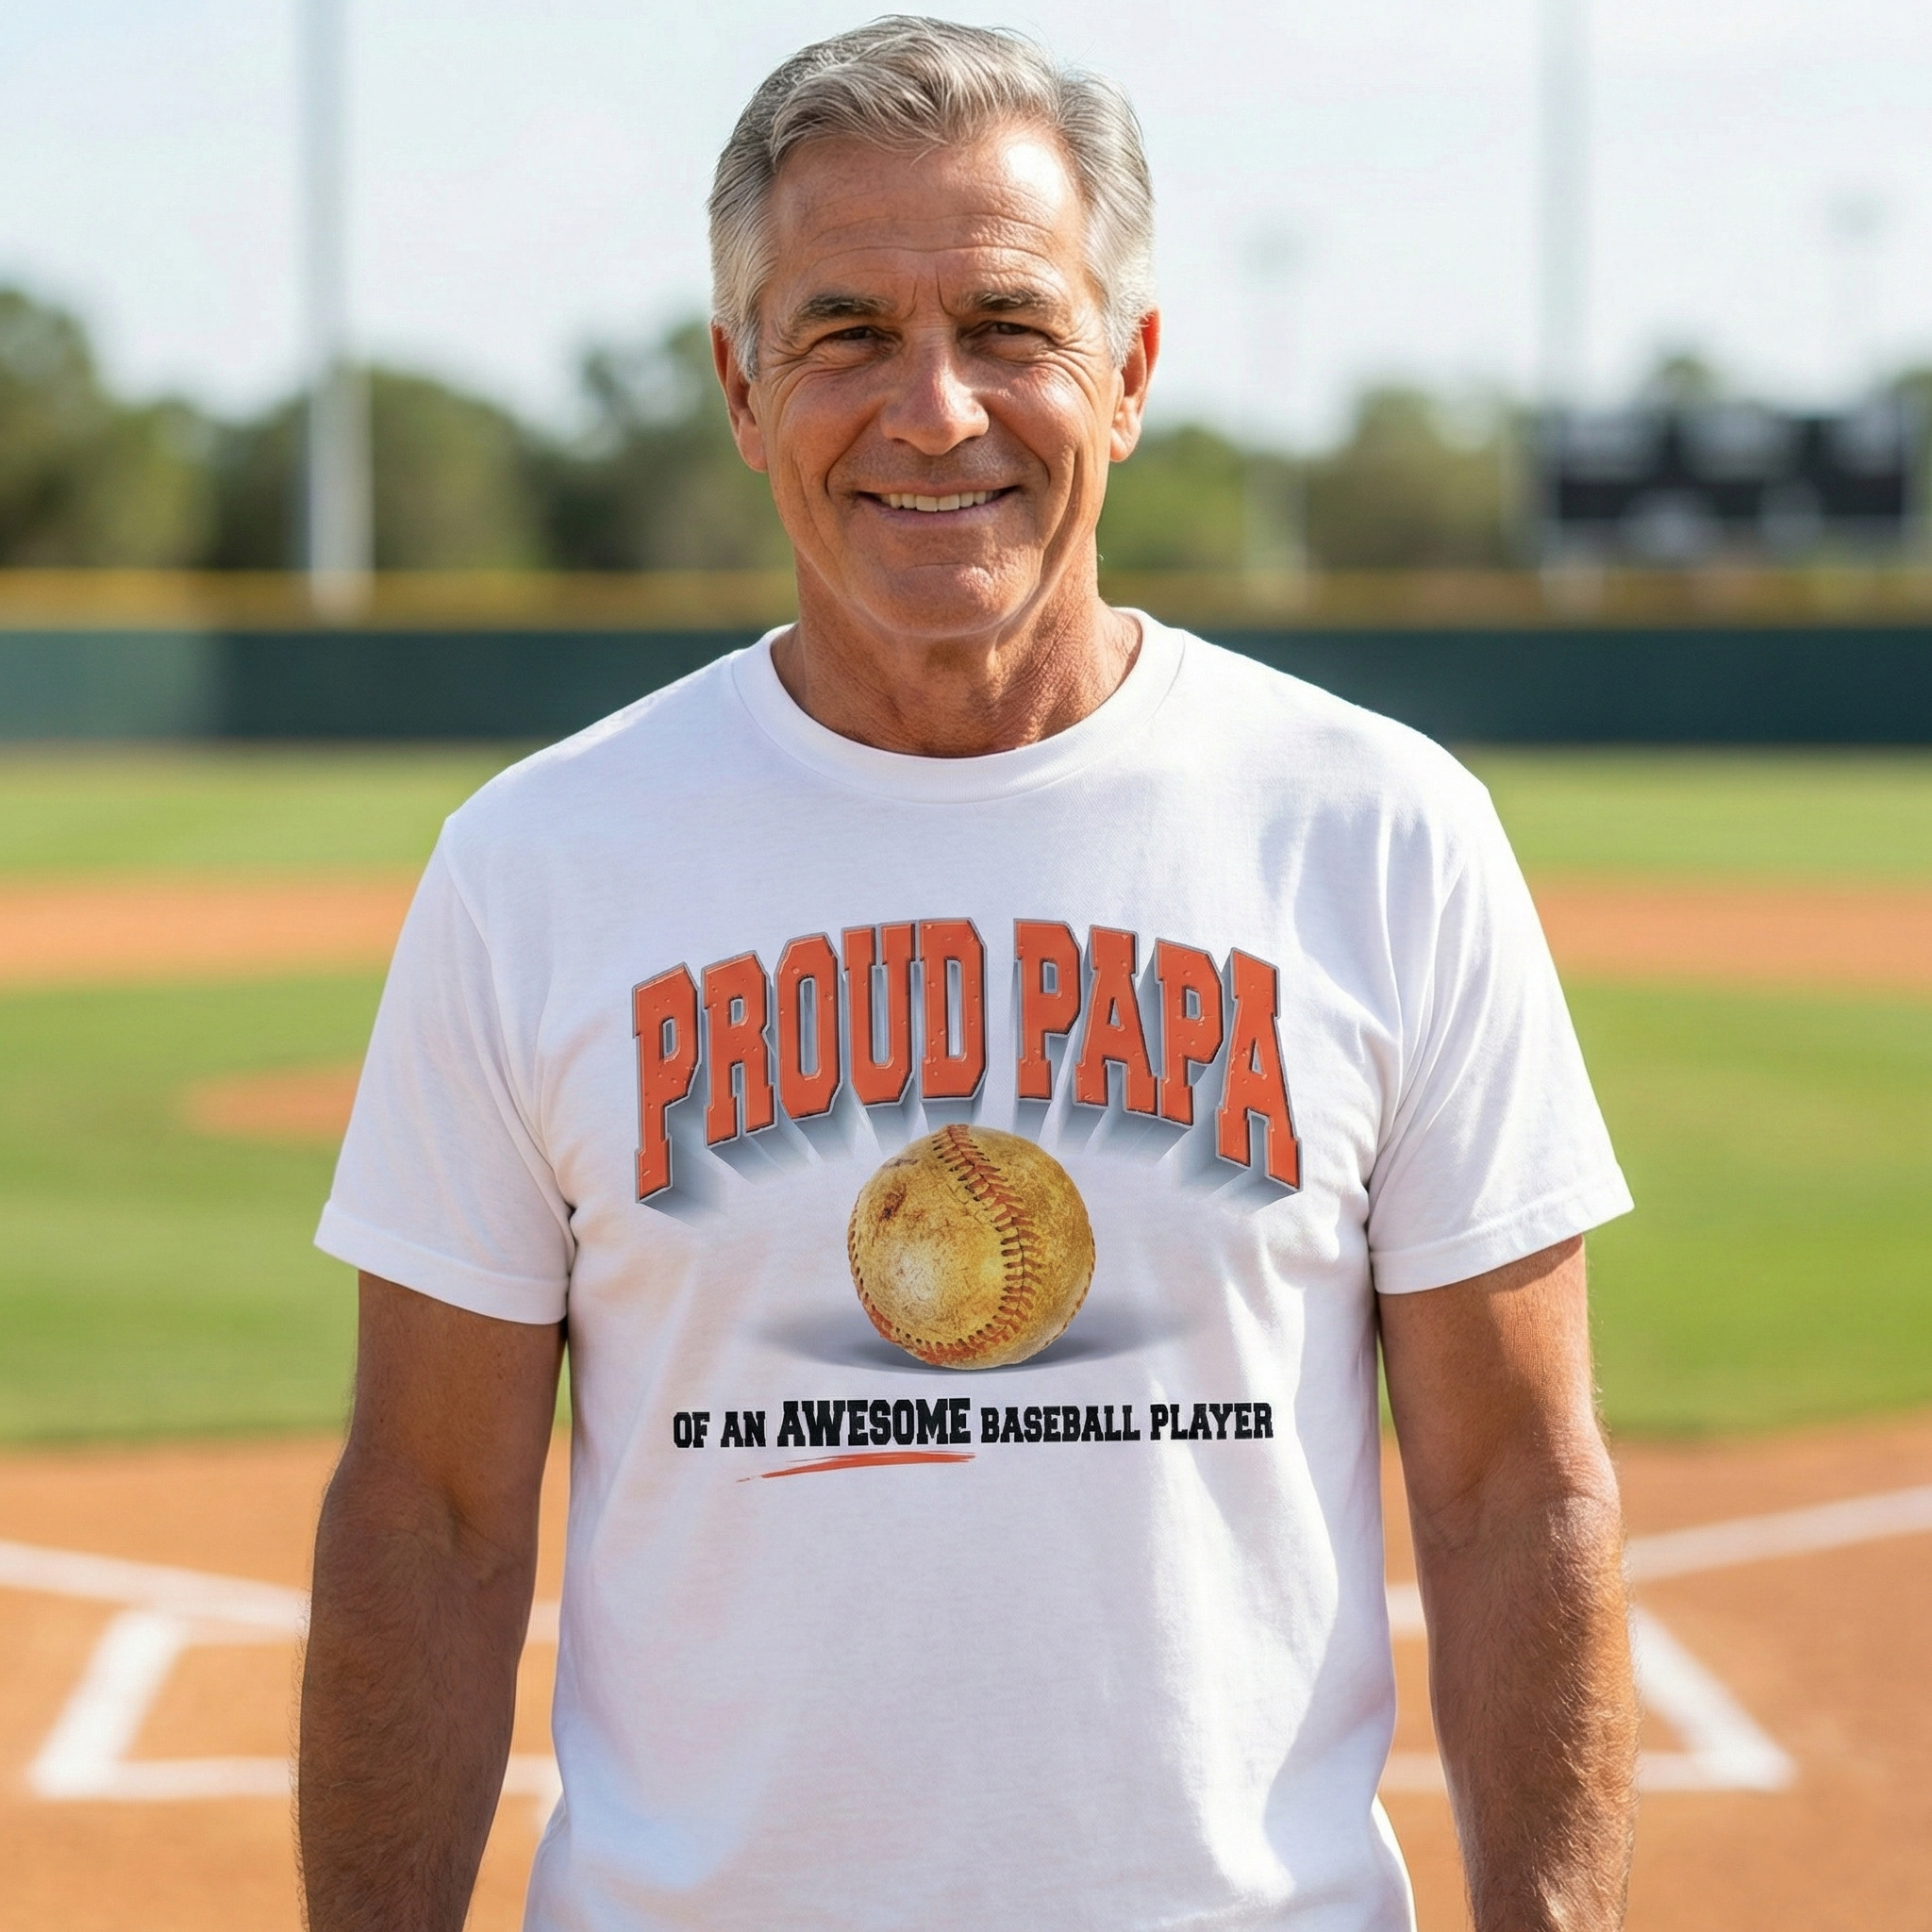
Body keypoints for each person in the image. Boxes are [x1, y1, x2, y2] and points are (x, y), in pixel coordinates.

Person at [298, 18, 1639, 1931]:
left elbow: (1522, 1488)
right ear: (742, 389)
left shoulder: (1378, 832)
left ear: (1133, 371)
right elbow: (424, 1520)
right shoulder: (537, 863)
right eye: (844, 332)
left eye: (1009, 324)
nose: (934, 410)